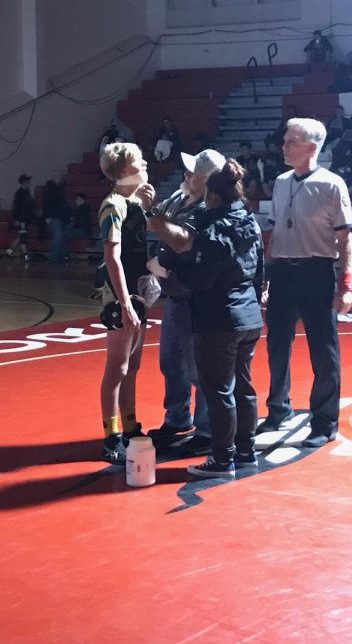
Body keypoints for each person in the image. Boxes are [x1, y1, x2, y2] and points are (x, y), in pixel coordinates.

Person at [149, 160, 265, 478]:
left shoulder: (214, 230)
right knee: (244, 387)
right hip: (249, 315)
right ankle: (245, 451)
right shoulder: (249, 221)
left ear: (211, 196)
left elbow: (202, 279)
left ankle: (222, 457)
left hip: (220, 318)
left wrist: (170, 271)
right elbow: (259, 268)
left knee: (218, 390)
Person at [260, 117, 352, 448]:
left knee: (323, 349)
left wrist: (346, 285)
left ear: (312, 147)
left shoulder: (332, 185)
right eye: (285, 140)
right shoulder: (281, 181)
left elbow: (346, 239)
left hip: (317, 270)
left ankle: (325, 421)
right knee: (276, 344)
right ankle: (278, 408)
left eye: (291, 142)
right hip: (284, 271)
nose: (283, 146)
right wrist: (268, 276)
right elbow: (275, 232)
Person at [146, 149, 225, 455]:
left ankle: (206, 428)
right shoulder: (181, 199)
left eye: (193, 172)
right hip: (175, 294)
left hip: (197, 297)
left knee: (199, 367)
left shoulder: (207, 209)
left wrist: (155, 217)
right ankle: (177, 418)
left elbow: (177, 241)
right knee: (171, 361)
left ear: (209, 180)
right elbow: (154, 225)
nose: (186, 175)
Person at [96, 141, 154, 463]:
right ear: (121, 171)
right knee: (117, 367)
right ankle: (111, 435)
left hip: (138, 290)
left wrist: (151, 208)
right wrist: (125, 303)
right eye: (138, 161)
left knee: (133, 366)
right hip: (122, 294)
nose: (145, 163)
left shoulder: (135, 202)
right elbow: (112, 258)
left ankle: (131, 426)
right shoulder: (113, 204)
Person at [8, 174, 35, 260]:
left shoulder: (27, 193)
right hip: (21, 219)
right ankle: (24, 254)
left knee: (22, 236)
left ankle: (11, 251)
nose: (29, 183)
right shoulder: (19, 194)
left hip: (26, 219)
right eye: (27, 182)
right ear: (23, 183)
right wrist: (18, 219)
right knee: (22, 237)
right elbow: (17, 208)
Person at [42, 178, 71, 262]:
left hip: (54, 217)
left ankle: (59, 255)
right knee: (58, 235)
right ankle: (55, 256)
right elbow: (58, 206)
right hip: (55, 217)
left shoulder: (52, 191)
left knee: (59, 235)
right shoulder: (54, 191)